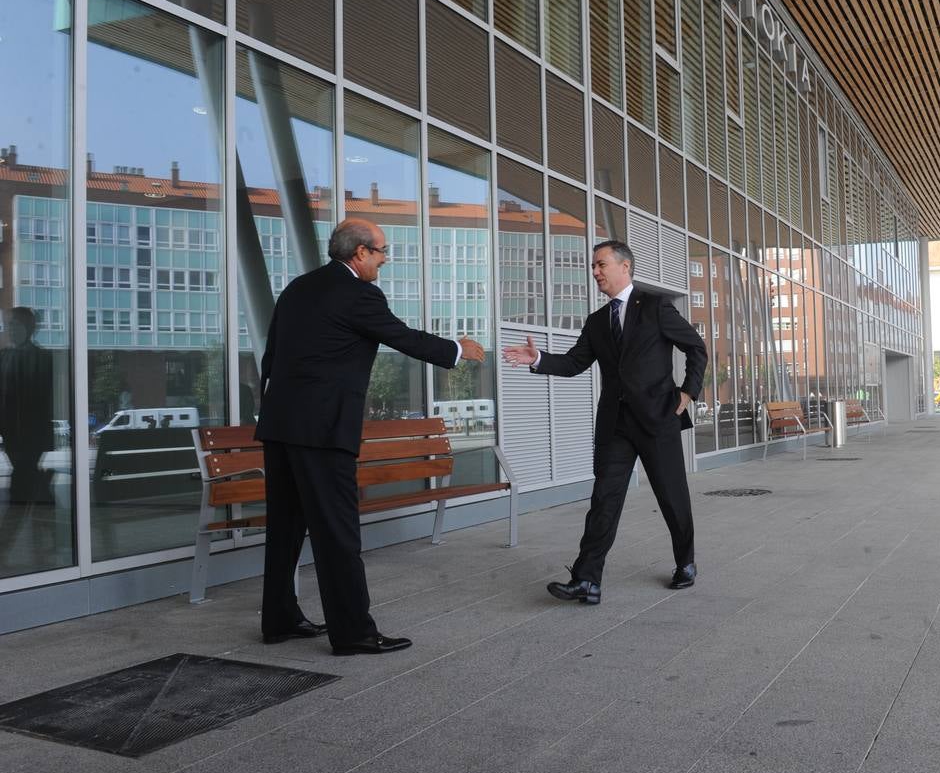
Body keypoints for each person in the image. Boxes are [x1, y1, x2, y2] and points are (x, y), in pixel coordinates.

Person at [255, 218, 485, 655]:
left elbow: (272, 356)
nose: (384, 259)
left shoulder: (298, 289)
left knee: (284, 529)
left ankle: (279, 619)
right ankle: (354, 632)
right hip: (322, 430)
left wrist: (275, 412)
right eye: (381, 251)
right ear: (359, 253)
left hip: (281, 425)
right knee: (337, 533)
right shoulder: (358, 293)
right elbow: (401, 336)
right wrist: (457, 349)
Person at [502, 240, 706, 606]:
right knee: (604, 500)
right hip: (616, 425)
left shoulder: (656, 306)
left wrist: (688, 392)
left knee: (672, 497)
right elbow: (573, 363)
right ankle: (586, 580)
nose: (595, 272)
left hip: (658, 419)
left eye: (601, 264)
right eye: (593, 266)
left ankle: (685, 562)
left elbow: (696, 347)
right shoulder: (597, 322)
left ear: (624, 267)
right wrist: (538, 359)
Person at [0, 307, 55, 551]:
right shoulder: (6, 356)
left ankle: (4, 549)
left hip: (27, 437)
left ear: (29, 329)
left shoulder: (39, 358)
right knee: (31, 486)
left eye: (17, 324)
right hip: (16, 435)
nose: (11, 329)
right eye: (9, 324)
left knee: (20, 491)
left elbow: (40, 401)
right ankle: (52, 543)